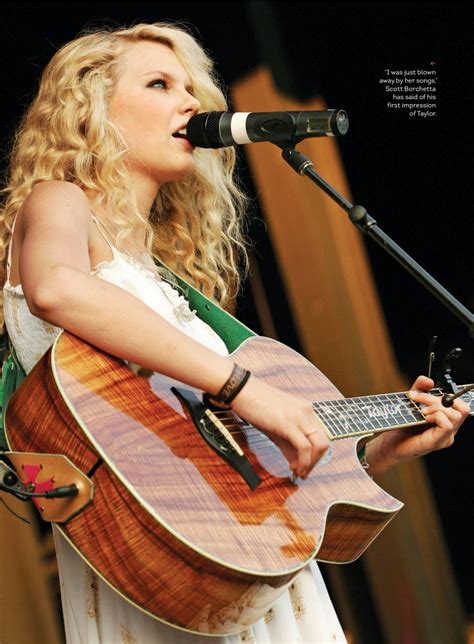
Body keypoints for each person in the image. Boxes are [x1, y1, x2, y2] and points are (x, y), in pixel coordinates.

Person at [0, 21, 468, 644]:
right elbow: (57, 288)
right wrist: (244, 387)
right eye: (160, 84)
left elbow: (242, 469)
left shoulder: (167, 283)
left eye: (191, 88)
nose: (191, 102)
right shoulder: (58, 201)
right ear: (91, 111)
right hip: (151, 563)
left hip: (245, 564)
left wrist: (380, 450)